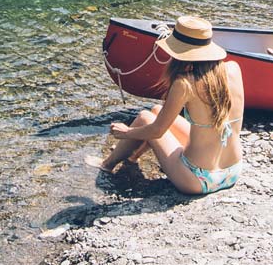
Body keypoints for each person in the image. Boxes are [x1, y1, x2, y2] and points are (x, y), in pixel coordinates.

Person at [102, 15, 244, 194]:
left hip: (198, 178)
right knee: (156, 110)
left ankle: (107, 165)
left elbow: (157, 131)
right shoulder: (233, 68)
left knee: (145, 117)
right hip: (233, 171)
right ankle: (132, 157)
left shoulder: (184, 83)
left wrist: (126, 132)